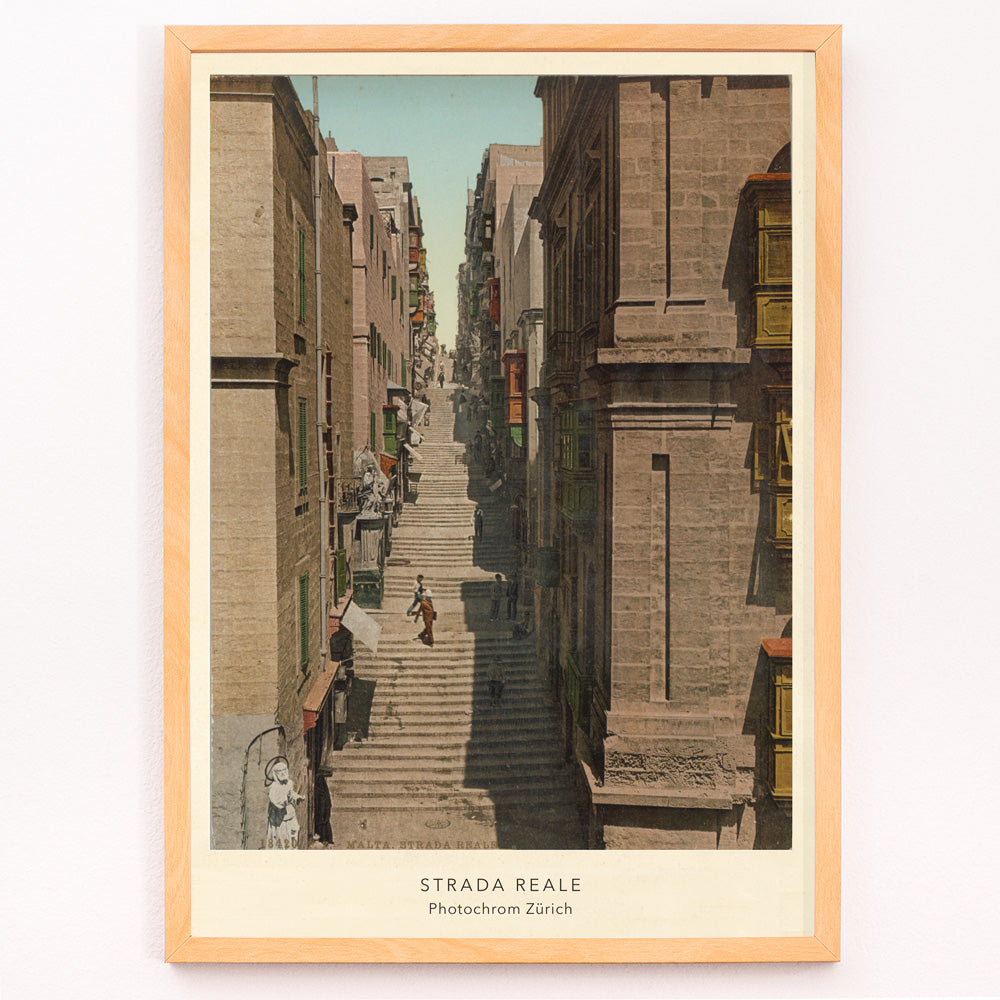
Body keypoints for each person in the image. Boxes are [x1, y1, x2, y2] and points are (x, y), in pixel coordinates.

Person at [264, 756, 304, 850]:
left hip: (290, 816)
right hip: (280, 820)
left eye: (284, 770)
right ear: (275, 773)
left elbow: (291, 794)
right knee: (282, 842)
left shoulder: (289, 783)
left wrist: (297, 798)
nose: (283, 773)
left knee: (293, 836)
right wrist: (285, 800)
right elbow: (277, 802)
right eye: (280, 771)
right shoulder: (274, 788)